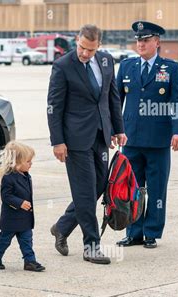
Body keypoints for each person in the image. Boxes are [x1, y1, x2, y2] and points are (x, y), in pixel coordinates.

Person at [47, 24, 127, 264]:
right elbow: (54, 107)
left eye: (90, 50)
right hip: (74, 140)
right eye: (82, 48)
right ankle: (91, 246)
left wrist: (118, 129)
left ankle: (62, 226)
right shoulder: (62, 66)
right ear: (77, 41)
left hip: (101, 135)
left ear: (98, 46)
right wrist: (58, 141)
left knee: (99, 186)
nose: (84, 53)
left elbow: (111, 97)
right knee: (84, 192)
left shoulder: (105, 61)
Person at [116, 21, 178, 249]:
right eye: (138, 40)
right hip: (131, 139)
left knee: (156, 189)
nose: (141, 44)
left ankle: (151, 232)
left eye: (146, 40)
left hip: (158, 140)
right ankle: (133, 232)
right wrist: (113, 129)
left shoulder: (171, 69)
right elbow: (116, 100)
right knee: (131, 188)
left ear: (157, 43)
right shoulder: (127, 67)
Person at [0, 141, 45, 272]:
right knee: (4, 240)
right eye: (28, 161)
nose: (31, 163)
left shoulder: (26, 176)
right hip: (11, 218)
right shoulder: (8, 178)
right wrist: (20, 203)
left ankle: (30, 261)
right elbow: (6, 196)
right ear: (17, 162)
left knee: (27, 240)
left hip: (25, 217)